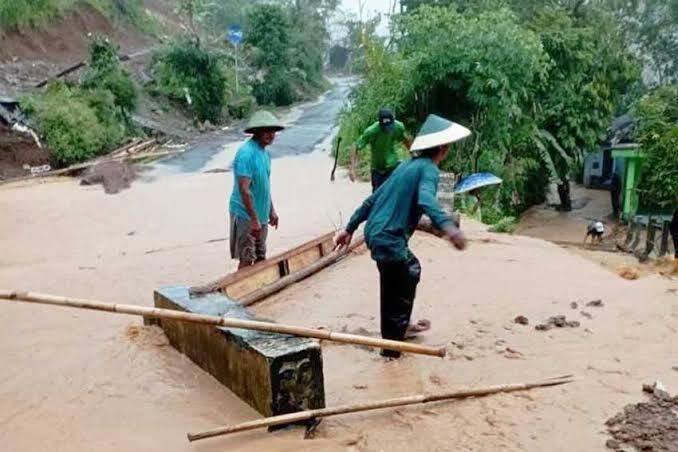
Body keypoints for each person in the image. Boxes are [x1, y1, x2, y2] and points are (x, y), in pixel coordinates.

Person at [335, 114, 470, 358]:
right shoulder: (428, 168)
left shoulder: (405, 166)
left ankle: (399, 328)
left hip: (377, 233)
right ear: (442, 148)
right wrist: (449, 227)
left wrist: (349, 228)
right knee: (395, 292)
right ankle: (391, 352)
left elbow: (372, 200)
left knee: (411, 270)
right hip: (389, 238)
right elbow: (426, 199)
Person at [229, 111, 284, 269]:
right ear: (256, 132)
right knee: (247, 257)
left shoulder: (266, 154)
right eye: (266, 131)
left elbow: (264, 185)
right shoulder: (246, 154)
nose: (270, 134)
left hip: (261, 215)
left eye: (272, 131)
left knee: (261, 256)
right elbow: (244, 190)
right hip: (245, 214)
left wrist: (271, 211)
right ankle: (240, 293)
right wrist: (253, 219)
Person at [350, 108, 412, 191]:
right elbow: (355, 146)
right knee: (377, 197)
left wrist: (414, 154)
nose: (388, 130)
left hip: (392, 165)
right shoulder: (371, 131)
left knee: (396, 192)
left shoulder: (398, 127)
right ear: (380, 124)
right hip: (377, 169)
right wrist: (353, 169)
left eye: (390, 126)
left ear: (393, 120)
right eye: (385, 128)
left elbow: (406, 140)